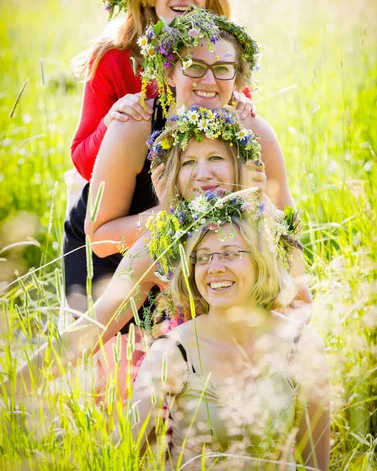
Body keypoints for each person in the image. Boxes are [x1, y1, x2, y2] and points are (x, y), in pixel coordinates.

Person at [63, 0, 263, 319]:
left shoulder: (220, 61)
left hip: (189, 236)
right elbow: (82, 160)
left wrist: (245, 116)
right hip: (117, 224)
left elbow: (243, 161)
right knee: (113, 362)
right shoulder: (116, 58)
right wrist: (113, 122)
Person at [12, 107, 271, 399]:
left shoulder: (265, 229)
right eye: (188, 162)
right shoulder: (158, 245)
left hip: (258, 386)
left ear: (239, 165)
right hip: (190, 395)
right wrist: (13, 389)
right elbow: (92, 327)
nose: (202, 174)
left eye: (215, 158)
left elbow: (298, 305)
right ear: (171, 175)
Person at [130, 195, 330, 470]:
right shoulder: (172, 351)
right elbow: (126, 453)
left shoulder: (301, 345)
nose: (215, 267)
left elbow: (314, 464)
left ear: (261, 261)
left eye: (231, 253)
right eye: (203, 257)